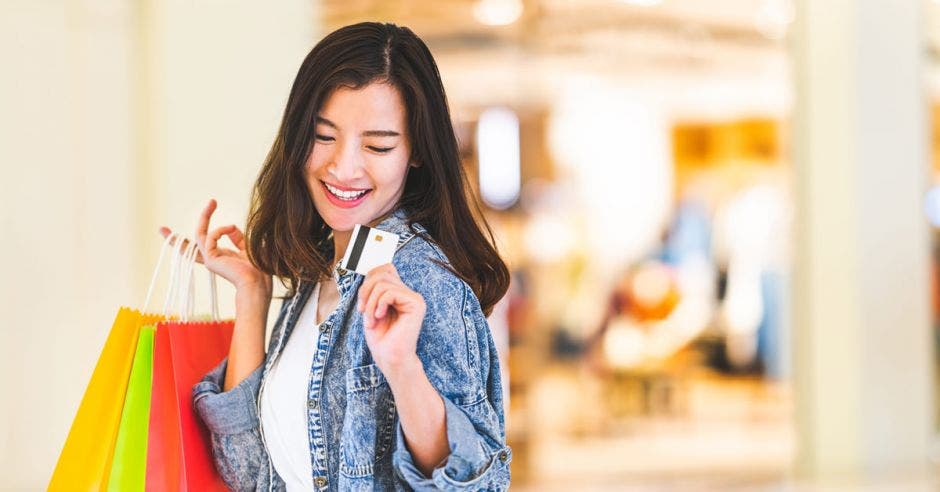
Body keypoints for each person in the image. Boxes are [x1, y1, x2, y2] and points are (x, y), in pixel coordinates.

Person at [159, 22, 512, 491]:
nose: (343, 167)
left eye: (378, 145)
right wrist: (252, 295)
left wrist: (403, 368)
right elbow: (251, 475)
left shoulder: (422, 283)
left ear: (417, 151)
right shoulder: (321, 273)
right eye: (323, 136)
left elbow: (478, 485)